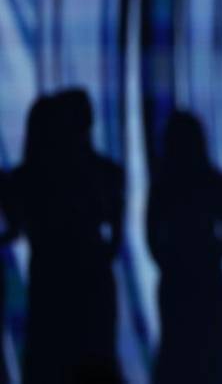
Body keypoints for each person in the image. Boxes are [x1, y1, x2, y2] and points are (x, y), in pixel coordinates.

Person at [12, 90, 124, 383]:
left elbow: (15, 226)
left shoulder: (28, 179)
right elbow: (115, 239)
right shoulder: (108, 174)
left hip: (52, 284)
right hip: (88, 281)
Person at [147, 111, 222, 384]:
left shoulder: (164, 186)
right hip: (204, 274)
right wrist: (213, 253)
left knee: (179, 347)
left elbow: (151, 232)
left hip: (178, 275)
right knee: (207, 349)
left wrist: (168, 259)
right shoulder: (216, 182)